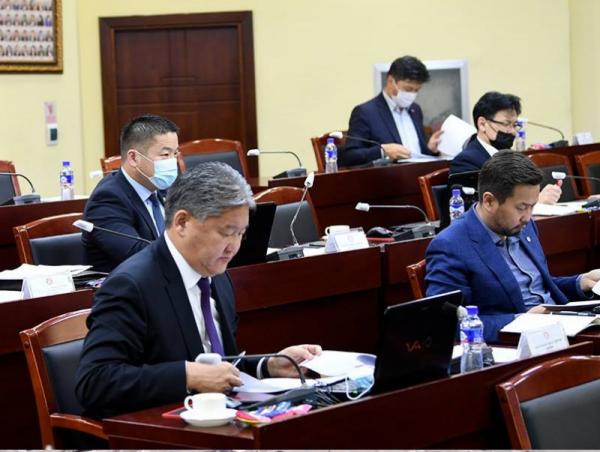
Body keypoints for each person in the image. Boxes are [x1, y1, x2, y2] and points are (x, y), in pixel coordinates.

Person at [76, 162, 321, 419]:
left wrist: (267, 366)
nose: (234, 247)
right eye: (226, 233)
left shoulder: (218, 277)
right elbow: (94, 382)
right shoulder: (131, 285)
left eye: (241, 234)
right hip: (158, 429)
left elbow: (217, 366)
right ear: (182, 222)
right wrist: (187, 376)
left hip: (219, 420)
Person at [425, 150, 600, 342]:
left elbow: (537, 286)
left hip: (561, 329)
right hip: (516, 344)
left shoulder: (523, 225)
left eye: (533, 206)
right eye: (521, 207)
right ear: (489, 201)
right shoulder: (450, 245)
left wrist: (580, 282)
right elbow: (447, 324)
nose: (528, 216)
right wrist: (520, 322)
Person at [82, 114, 180, 273]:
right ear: (134, 158)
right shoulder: (108, 199)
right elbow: (138, 255)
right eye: (165, 155)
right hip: (128, 285)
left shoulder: (167, 189)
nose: (173, 162)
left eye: (175, 154)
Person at [450, 91, 561, 204]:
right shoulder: (466, 161)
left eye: (515, 125)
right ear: (482, 124)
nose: (513, 132)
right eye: (506, 124)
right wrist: (534, 202)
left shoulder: (514, 157)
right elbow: (479, 207)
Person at [340, 55, 442, 167]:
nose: (412, 94)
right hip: (388, 176)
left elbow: (418, 154)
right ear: (390, 81)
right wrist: (382, 151)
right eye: (408, 89)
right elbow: (349, 156)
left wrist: (429, 149)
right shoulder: (365, 112)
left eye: (416, 90)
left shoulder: (415, 110)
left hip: (420, 174)